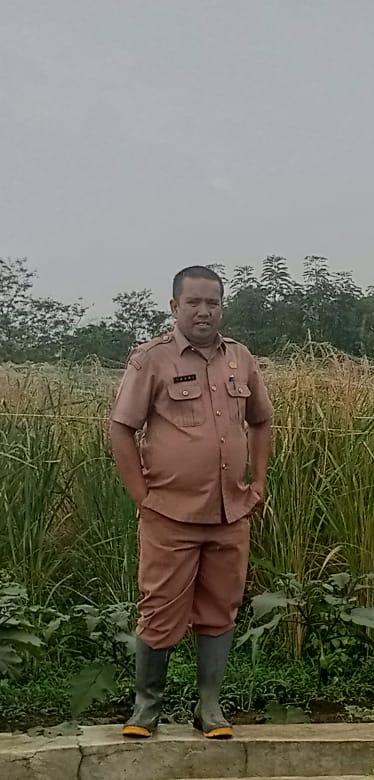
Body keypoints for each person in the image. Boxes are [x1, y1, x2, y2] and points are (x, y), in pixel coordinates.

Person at [108, 265, 274, 740]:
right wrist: (142, 496)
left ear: (222, 307)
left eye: (212, 303)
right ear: (174, 306)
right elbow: (121, 428)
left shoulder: (240, 358)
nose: (204, 311)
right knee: (160, 608)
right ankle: (146, 708)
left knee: (221, 608)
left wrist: (257, 482)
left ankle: (210, 708)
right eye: (194, 302)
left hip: (230, 513)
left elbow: (261, 420)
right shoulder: (151, 359)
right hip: (169, 513)